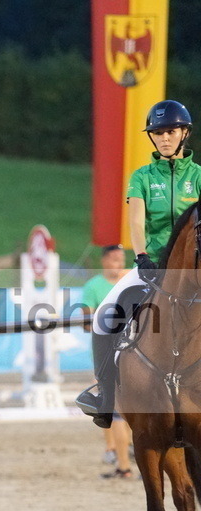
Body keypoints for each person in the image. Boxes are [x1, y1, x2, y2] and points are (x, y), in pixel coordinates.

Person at [77, 100, 201, 428]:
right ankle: (103, 394)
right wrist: (142, 256)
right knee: (105, 316)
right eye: (158, 132)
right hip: (153, 265)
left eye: (170, 131)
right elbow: (136, 221)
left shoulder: (199, 177)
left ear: (184, 133)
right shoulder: (142, 177)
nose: (164, 138)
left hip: (195, 270)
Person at [81, 245, 133, 478]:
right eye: (113, 259)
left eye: (121, 258)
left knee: (114, 410)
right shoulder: (94, 286)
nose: (118, 263)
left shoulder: (131, 280)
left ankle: (123, 463)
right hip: (116, 353)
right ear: (104, 261)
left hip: (120, 354)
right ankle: (114, 448)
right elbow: (85, 320)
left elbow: (87, 324)